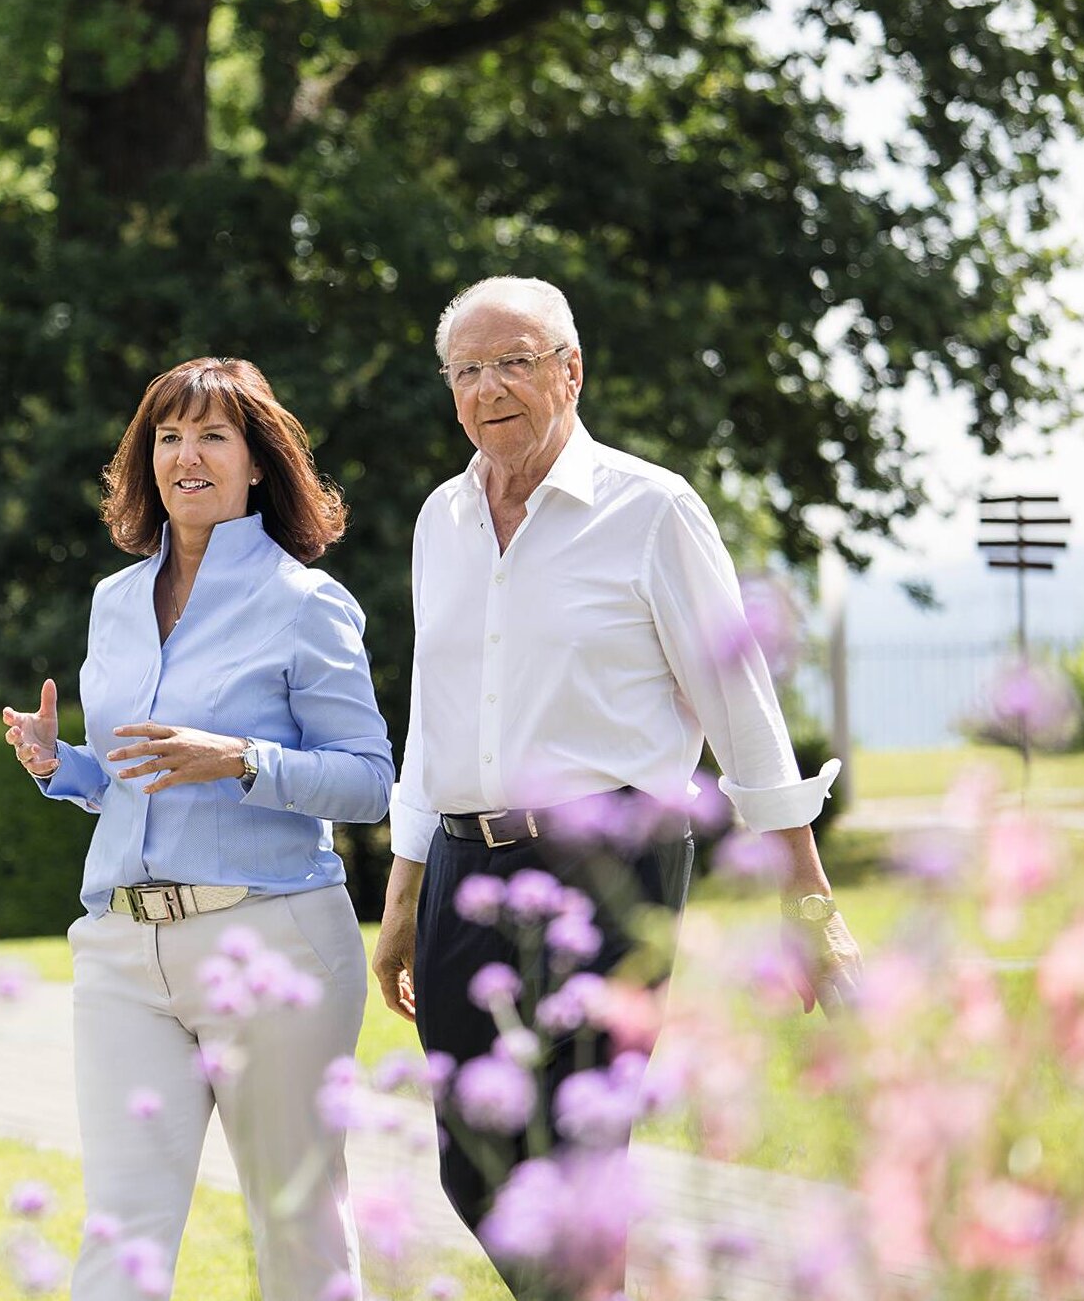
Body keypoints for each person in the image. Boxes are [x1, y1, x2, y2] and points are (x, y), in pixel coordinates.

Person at [369, 277, 865, 1294]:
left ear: (570, 370)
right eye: (465, 368)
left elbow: (742, 709)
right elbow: (434, 710)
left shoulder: (652, 510)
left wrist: (806, 895)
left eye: (514, 360)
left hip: (610, 861)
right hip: (464, 860)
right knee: (474, 1156)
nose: (488, 386)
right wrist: (403, 887)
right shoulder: (442, 517)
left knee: (579, 1150)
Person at [1, 356, 393, 1300]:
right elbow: (140, 778)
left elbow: (371, 783)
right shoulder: (114, 601)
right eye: (169, 436)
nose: (188, 455)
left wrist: (242, 759)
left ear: (257, 461)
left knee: (298, 1231)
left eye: (213, 436)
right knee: (120, 1235)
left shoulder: (307, 602)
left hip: (272, 942)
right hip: (121, 951)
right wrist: (63, 765)